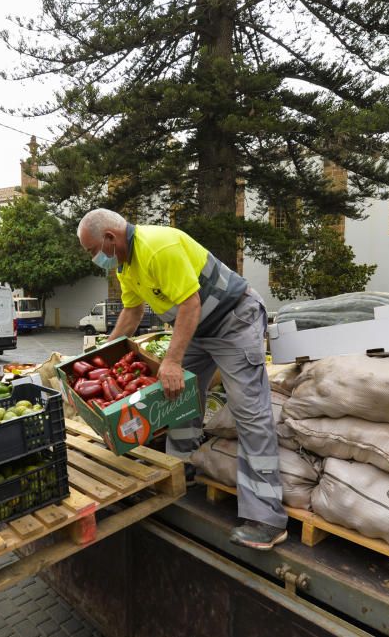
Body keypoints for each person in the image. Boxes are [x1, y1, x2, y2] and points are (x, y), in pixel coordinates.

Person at [77, 208, 288, 550]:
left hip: (235, 321)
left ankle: (266, 518)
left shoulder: (157, 247)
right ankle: (184, 470)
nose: (94, 258)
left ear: (111, 238)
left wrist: (172, 359)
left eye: (92, 250)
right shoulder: (127, 267)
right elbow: (132, 312)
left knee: (250, 413)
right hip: (198, 330)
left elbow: (190, 304)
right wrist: (100, 357)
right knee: (177, 397)